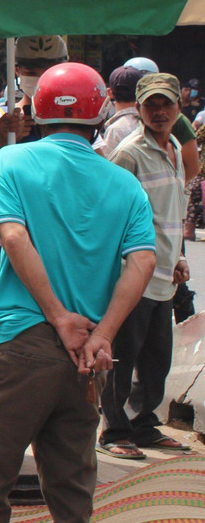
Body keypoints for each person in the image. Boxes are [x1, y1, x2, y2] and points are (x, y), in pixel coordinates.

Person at [0, 62, 157, 523]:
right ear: (99, 112)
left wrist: (58, 315)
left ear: (38, 109)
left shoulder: (11, 160)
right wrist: (102, 333)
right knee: (71, 493)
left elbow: (15, 237)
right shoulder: (123, 183)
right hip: (88, 357)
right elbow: (143, 260)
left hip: (23, 343)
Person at [98, 73, 192, 457]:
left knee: (156, 360)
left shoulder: (173, 149)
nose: (159, 111)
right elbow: (111, 216)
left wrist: (180, 257)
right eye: (150, 105)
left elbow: (174, 211)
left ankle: (143, 424)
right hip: (134, 275)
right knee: (122, 356)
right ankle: (114, 430)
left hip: (166, 273)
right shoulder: (129, 153)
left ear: (178, 108)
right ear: (137, 109)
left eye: (166, 104)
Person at [0, 35, 69, 156]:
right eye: (32, 73)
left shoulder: (73, 118)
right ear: (17, 71)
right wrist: (4, 140)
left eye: (48, 72)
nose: (40, 80)